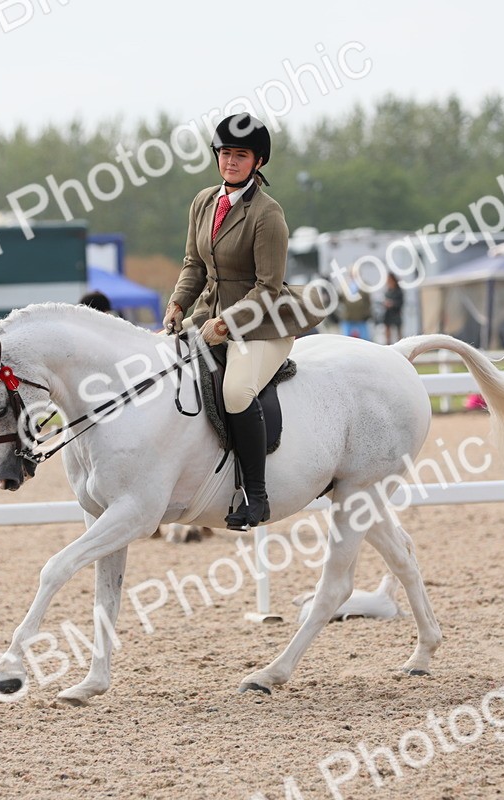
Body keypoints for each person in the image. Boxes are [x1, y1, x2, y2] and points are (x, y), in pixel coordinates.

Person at [164, 113, 323, 530]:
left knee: (236, 392)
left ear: (258, 162)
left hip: (262, 321)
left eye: (240, 155)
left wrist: (225, 324)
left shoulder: (268, 215)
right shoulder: (203, 202)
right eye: (225, 154)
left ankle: (256, 494)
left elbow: (268, 288)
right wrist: (179, 303)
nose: (230, 162)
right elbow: (193, 264)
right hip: (207, 314)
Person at [382, 272, 405, 344]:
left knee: (398, 332)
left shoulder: (398, 291)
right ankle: (388, 344)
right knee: (388, 330)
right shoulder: (388, 291)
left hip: (396, 313)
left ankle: (401, 344)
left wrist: (392, 304)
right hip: (388, 314)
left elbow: (401, 303)